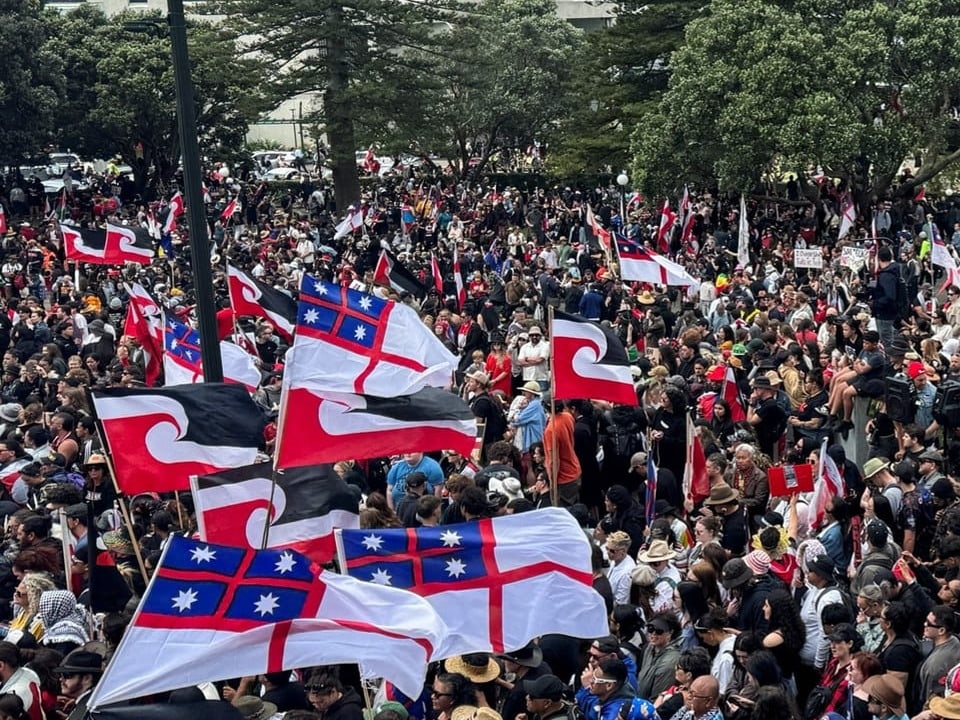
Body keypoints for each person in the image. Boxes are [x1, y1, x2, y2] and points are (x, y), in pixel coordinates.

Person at [53, 649, 103, 720]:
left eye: (67, 675)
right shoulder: (89, 701)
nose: (61, 679)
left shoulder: (89, 708)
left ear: (87, 678)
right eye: (60, 675)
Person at [604, 532, 636, 607]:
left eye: (612, 551)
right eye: (607, 548)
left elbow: (621, 602)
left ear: (623, 551)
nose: (608, 552)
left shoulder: (627, 573)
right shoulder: (615, 560)